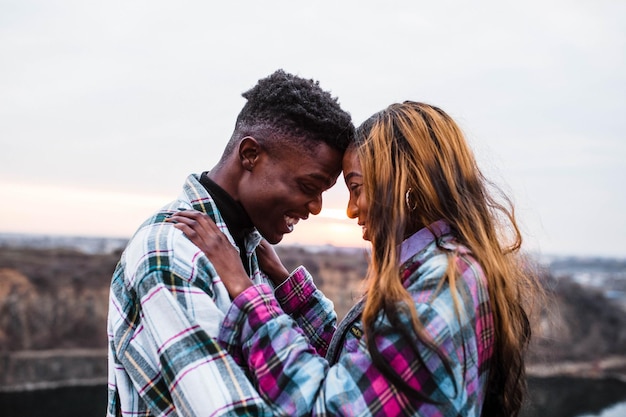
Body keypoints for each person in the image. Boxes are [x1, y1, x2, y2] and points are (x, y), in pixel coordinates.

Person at [170, 101, 540, 416]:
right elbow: (360, 371)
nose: (350, 210)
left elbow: (327, 405)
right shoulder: (442, 269)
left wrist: (245, 291)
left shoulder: (442, 283)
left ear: (404, 184)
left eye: (357, 188)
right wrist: (288, 289)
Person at [106, 69, 355, 416]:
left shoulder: (245, 250)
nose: (315, 207)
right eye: (308, 186)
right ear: (251, 154)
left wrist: (285, 289)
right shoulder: (171, 250)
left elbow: (329, 377)